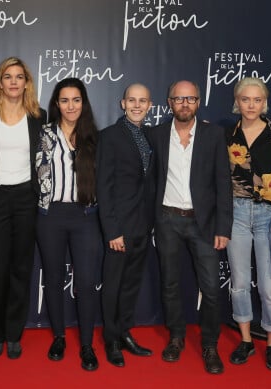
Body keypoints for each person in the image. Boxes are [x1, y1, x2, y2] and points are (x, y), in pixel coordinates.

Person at [146, 80, 232, 374]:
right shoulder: (156, 135)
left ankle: (209, 344)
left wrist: (224, 226)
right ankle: (177, 337)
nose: (185, 104)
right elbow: (149, 180)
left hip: (204, 222)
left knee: (210, 288)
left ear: (198, 102)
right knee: (169, 285)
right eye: (178, 99)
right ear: (169, 103)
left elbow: (223, 183)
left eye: (190, 98)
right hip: (167, 220)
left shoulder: (214, 135)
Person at [226, 77, 271, 371]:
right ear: (237, 101)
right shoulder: (226, 136)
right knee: (240, 284)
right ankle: (245, 341)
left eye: (257, 100)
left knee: (270, 287)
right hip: (236, 215)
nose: (251, 105)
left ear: (264, 102)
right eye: (246, 99)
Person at [0, 57, 46, 359]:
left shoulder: (38, 115)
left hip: (25, 199)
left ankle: (14, 333)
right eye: (8, 76)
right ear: (0, 82)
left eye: (19, 76)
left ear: (27, 82)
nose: (14, 81)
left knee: (21, 267)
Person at [35, 78, 102, 371]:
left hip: (85, 216)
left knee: (86, 283)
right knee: (52, 279)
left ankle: (87, 344)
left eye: (76, 100)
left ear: (83, 103)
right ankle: (59, 336)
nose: (70, 106)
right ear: (56, 104)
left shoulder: (96, 137)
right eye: (64, 100)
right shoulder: (44, 133)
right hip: (51, 216)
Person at [96, 83, 155, 367]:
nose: (136, 105)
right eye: (131, 100)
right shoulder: (109, 137)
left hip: (143, 226)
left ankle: (125, 333)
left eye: (142, 101)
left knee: (131, 285)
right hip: (119, 228)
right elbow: (103, 188)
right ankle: (110, 339)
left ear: (150, 105)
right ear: (122, 103)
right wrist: (112, 230)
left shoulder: (151, 136)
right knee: (114, 285)